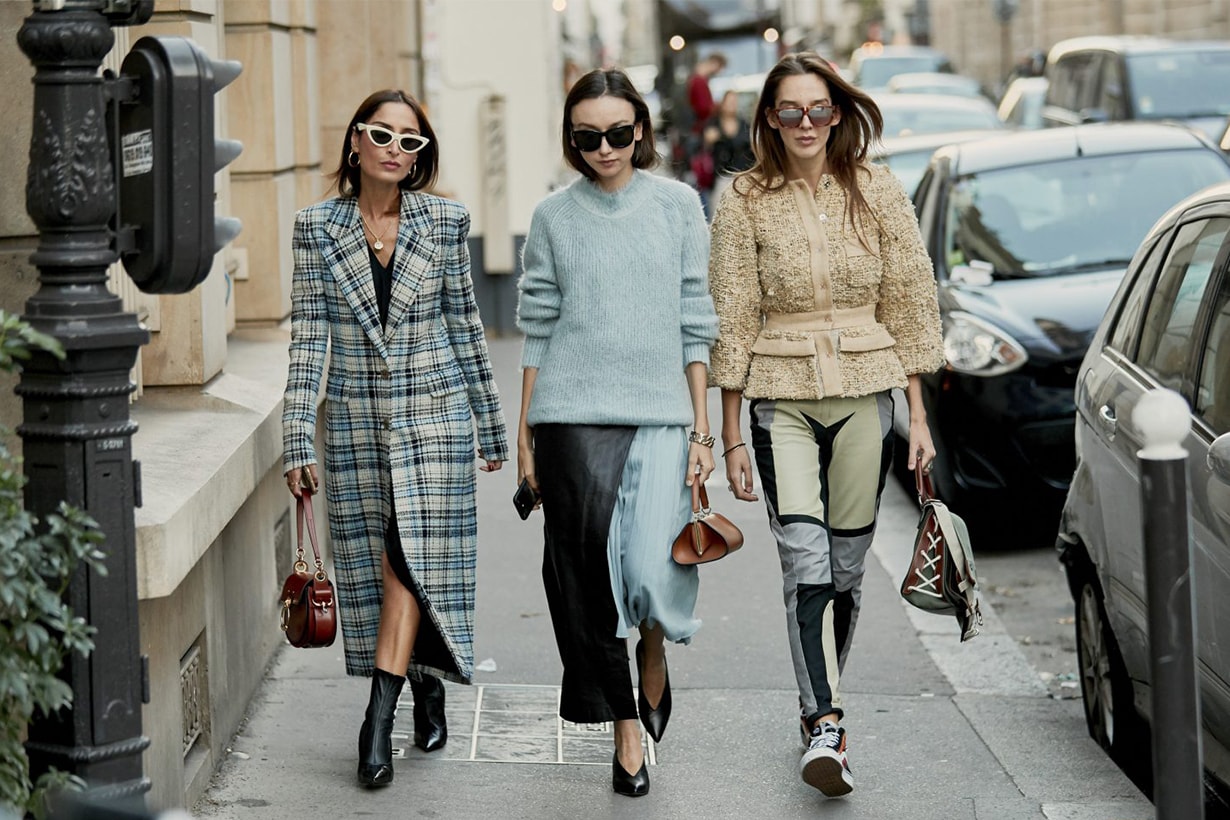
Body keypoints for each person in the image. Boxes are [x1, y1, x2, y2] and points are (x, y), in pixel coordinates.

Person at [706, 52, 944, 798]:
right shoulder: (743, 198)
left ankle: (816, 704)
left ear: (837, 113)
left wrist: (919, 414)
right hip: (781, 395)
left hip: (867, 391)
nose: (805, 124)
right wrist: (731, 432)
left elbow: (909, 296)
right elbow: (733, 314)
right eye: (789, 112)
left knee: (845, 571)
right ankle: (827, 722)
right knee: (804, 561)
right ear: (769, 119)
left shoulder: (877, 188)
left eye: (818, 110)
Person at [281, 89, 508, 789]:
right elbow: (309, 337)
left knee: (404, 565)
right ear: (355, 142)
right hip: (354, 425)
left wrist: (492, 422)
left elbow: (466, 325)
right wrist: (297, 435)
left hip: (436, 422)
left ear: (420, 157)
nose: (395, 148)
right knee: (390, 565)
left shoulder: (444, 223)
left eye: (411, 141)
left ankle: (377, 718)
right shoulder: (316, 229)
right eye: (382, 134)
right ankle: (424, 679)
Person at [516, 68, 719, 798]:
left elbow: (698, 319)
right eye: (588, 136)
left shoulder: (676, 206)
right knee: (583, 577)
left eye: (619, 133)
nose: (605, 147)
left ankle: (654, 652)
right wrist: (524, 436)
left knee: (648, 570)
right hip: (570, 413)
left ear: (641, 131)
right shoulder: (552, 217)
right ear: (572, 140)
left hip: (662, 412)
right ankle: (624, 726)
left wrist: (703, 431)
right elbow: (535, 327)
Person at [707, 89, 755, 212]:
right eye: (729, 102)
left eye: (734, 102)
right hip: (721, 176)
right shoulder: (714, 124)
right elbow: (706, 145)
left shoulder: (744, 124)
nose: (732, 105)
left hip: (742, 176)